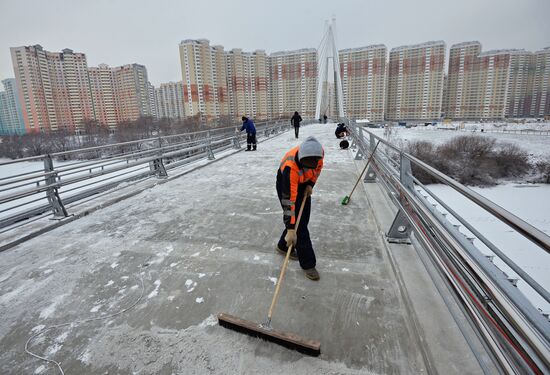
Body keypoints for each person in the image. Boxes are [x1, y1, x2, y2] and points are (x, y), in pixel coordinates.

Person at [276, 136, 324, 281]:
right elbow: (289, 203)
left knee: (303, 219)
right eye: (305, 165)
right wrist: (291, 228)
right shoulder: (290, 167)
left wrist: (311, 184)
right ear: (301, 158)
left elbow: (317, 170)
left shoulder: (318, 155)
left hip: (304, 183)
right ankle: (308, 264)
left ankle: (283, 246)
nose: (310, 167)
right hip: (287, 184)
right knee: (299, 225)